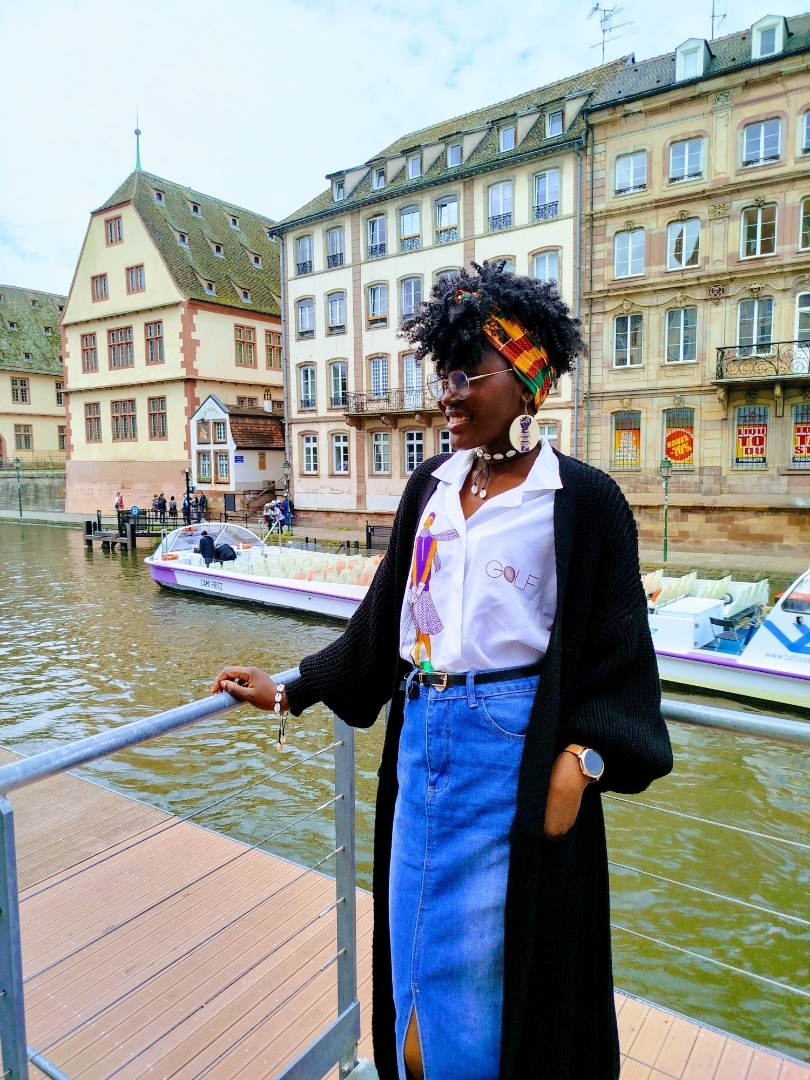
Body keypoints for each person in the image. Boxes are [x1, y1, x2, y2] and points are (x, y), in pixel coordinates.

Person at [212, 262, 673, 1080]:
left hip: (513, 759)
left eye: (467, 376)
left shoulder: (583, 500)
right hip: (422, 749)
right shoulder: (430, 485)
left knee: (500, 989)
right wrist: (294, 688)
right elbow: (384, 622)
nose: (448, 396)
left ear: (526, 375)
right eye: (444, 376)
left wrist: (582, 761)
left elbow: (621, 658)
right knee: (414, 991)